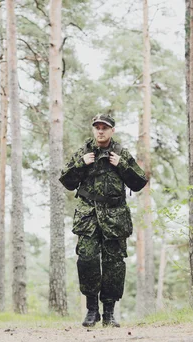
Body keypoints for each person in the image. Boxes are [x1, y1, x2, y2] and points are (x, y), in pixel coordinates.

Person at [59, 113, 148, 327]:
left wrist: (122, 165)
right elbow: (67, 182)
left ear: (112, 130)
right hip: (88, 216)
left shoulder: (120, 153)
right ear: (93, 130)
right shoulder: (83, 152)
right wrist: (80, 164)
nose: (100, 131)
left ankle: (109, 312)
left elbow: (139, 182)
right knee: (87, 260)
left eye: (104, 127)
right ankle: (92, 311)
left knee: (114, 265)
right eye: (97, 127)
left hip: (115, 217)